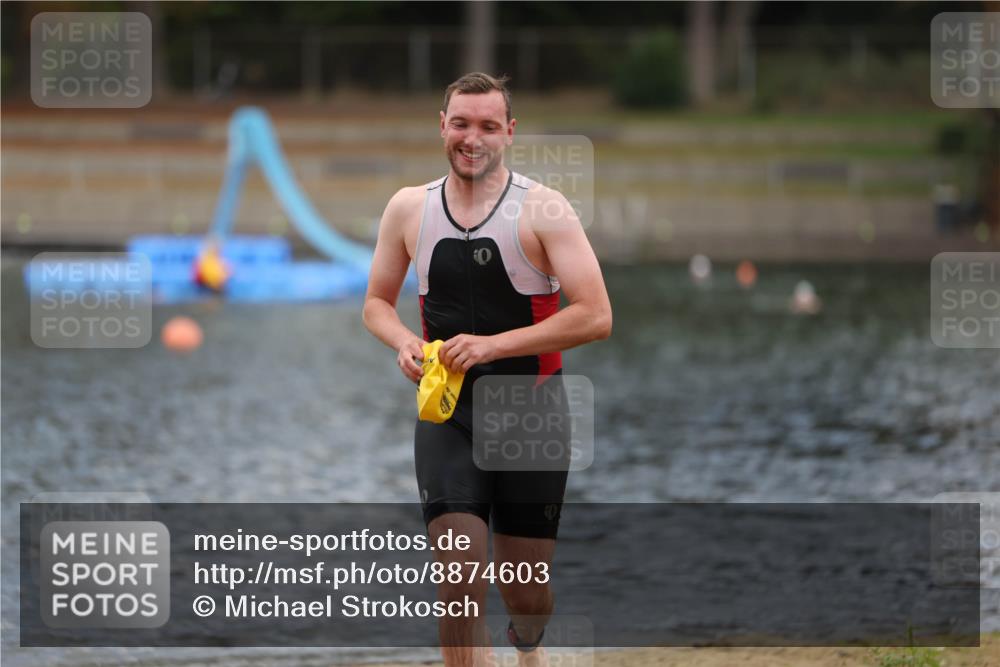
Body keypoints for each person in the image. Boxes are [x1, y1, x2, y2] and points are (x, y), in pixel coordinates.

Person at [363, 72, 611, 667]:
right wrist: (402, 341)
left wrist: (493, 346)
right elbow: (375, 304)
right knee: (459, 579)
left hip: (533, 415)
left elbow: (596, 316)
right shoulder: (408, 208)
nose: (472, 138)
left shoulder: (543, 209)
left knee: (524, 593)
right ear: (442, 126)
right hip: (448, 414)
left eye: (488, 126)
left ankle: (528, 649)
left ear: (509, 133)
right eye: (461, 124)